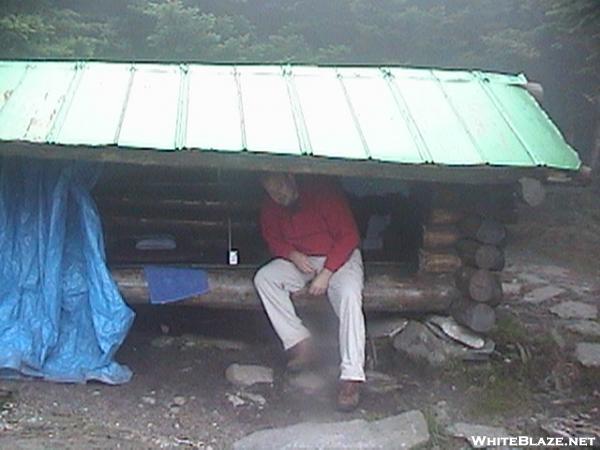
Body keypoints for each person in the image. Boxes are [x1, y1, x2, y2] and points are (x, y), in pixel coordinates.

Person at [253, 172, 366, 412]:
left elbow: (349, 237)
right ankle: (301, 342)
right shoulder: (271, 205)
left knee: (349, 296)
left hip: (340, 258)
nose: (279, 196)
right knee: (266, 278)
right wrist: (291, 254)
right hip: (303, 260)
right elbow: (272, 238)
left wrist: (327, 273)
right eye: (272, 192)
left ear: (291, 177)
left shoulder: (322, 192)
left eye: (281, 188)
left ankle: (351, 376)